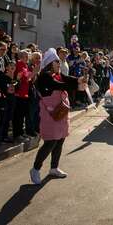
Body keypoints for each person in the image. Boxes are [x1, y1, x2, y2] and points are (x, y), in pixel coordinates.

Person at [30, 48, 87, 185]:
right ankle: (35, 169)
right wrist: (77, 85)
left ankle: (54, 168)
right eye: (56, 61)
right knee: (50, 141)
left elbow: (68, 79)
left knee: (60, 139)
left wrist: (80, 79)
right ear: (50, 62)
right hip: (50, 114)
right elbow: (59, 85)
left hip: (60, 111)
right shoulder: (44, 76)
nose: (59, 63)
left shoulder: (58, 74)